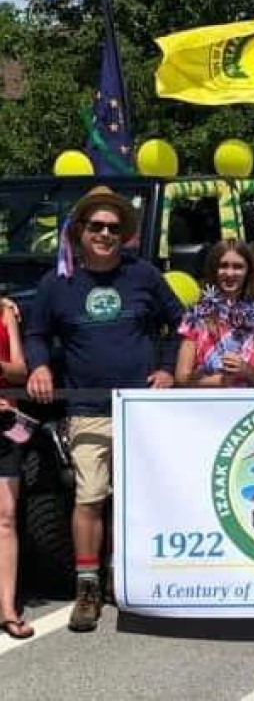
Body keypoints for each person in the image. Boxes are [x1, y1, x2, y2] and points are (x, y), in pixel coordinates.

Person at [25, 186, 184, 633]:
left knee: (135, 499)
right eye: (96, 226)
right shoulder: (56, 283)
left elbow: (181, 321)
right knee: (89, 496)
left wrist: (168, 369)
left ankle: (126, 577)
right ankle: (88, 587)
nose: (105, 233)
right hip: (87, 407)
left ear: (124, 235)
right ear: (79, 231)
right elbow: (37, 334)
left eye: (114, 227)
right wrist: (38, 367)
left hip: (140, 409)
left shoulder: (144, 275)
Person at [175, 240, 254, 388]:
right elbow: (181, 378)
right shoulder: (196, 315)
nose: (230, 273)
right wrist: (219, 382)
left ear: (248, 271)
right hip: (208, 405)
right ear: (213, 269)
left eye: (238, 267)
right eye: (223, 266)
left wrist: (246, 371)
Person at [0, 301, 32, 640]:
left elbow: (21, 371)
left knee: (6, 517)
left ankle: (7, 608)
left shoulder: (5, 311)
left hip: (4, 424)